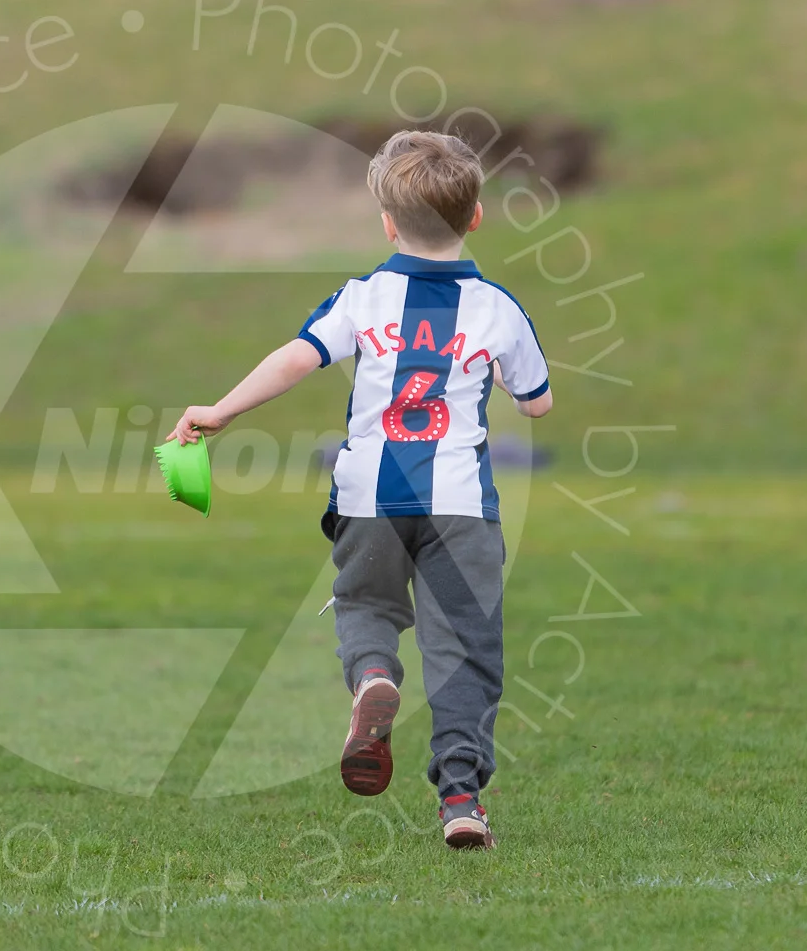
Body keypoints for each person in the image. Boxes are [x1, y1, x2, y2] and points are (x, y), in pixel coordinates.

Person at [166, 130, 552, 849]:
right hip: (460, 504)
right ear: (475, 217)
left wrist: (221, 411)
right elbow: (537, 405)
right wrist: (499, 373)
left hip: (370, 494)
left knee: (366, 603)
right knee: (464, 651)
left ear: (386, 223)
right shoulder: (498, 309)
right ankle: (461, 798)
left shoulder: (363, 297)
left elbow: (296, 358)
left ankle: (374, 674)